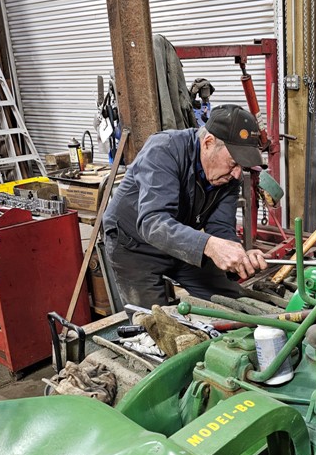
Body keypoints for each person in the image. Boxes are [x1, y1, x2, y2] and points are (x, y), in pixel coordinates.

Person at [103, 104, 268, 308]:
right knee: (154, 324)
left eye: (242, 166)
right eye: (234, 163)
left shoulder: (228, 177)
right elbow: (153, 223)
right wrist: (209, 245)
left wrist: (237, 257)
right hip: (133, 245)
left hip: (180, 240)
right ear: (208, 142)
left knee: (234, 303)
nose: (237, 174)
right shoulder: (163, 150)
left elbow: (221, 227)